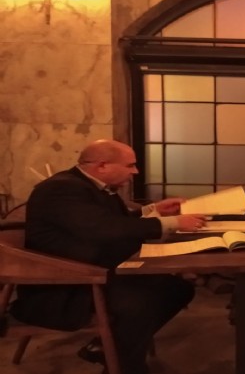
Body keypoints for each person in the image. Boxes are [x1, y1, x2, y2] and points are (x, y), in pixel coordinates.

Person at [10, 139, 207, 374]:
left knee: (177, 289)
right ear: (102, 166)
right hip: (65, 284)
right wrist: (173, 223)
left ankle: (105, 348)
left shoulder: (91, 186)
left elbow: (111, 222)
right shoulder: (60, 189)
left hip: (93, 270)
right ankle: (124, 366)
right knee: (140, 301)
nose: (135, 172)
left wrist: (153, 210)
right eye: (130, 165)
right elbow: (104, 228)